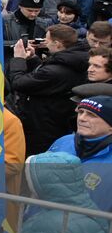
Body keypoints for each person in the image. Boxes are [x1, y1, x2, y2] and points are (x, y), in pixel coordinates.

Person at [10, 25, 90, 156]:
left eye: (47, 40)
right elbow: (45, 81)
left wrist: (18, 59)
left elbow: (19, 83)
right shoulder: (73, 61)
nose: (45, 43)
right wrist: (33, 59)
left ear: (57, 44)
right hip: (56, 120)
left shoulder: (58, 69)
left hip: (44, 125)